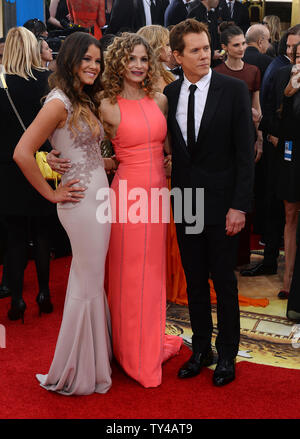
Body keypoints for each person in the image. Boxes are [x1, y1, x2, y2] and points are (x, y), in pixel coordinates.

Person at [13, 31, 113, 395]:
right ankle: (75, 370)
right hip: (80, 203)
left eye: (97, 60)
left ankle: (92, 361)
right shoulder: (58, 102)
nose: (93, 66)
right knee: (87, 282)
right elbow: (22, 152)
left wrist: (113, 160)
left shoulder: (82, 98)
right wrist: (52, 193)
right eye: (86, 59)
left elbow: (83, 154)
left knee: (90, 280)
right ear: (70, 59)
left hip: (99, 197)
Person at [164, 19, 254, 386]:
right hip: (185, 199)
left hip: (222, 205)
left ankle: (227, 355)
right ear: (177, 56)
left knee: (224, 282)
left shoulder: (232, 90)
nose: (205, 55)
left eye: (206, 48)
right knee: (196, 279)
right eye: (196, 50)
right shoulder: (168, 95)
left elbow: (245, 155)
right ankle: (201, 348)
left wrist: (240, 205)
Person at [100, 32, 183, 388]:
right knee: (126, 276)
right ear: (118, 63)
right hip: (126, 197)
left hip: (157, 196)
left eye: (143, 59)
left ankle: (147, 344)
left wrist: (170, 161)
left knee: (152, 276)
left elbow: (167, 147)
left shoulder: (160, 100)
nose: (137, 65)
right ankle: (128, 352)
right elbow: (88, 146)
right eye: (131, 59)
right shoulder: (105, 103)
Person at [0, 27, 54, 322]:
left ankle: (17, 299)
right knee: (43, 233)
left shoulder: (1, 84)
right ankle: (44, 293)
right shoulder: (45, 82)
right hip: (42, 165)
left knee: (16, 237)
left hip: (8, 169)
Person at [241, 25, 300, 279]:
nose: (291, 52)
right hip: (287, 154)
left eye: (294, 48)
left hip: (287, 150)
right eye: (291, 49)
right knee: (284, 212)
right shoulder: (283, 74)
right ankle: (285, 274)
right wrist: (267, 132)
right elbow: (274, 114)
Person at [214, 24, 261, 267]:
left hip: (247, 138)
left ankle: (242, 256)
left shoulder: (253, 71)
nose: (242, 48)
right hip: (223, 143)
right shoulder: (217, 72)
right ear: (224, 48)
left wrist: (259, 137)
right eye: (236, 45)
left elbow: (258, 107)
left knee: (244, 193)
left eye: (243, 43)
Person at [274, 42, 300, 302]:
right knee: (289, 215)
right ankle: (288, 280)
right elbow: (280, 121)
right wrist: (290, 92)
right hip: (292, 155)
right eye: (297, 55)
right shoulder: (287, 79)